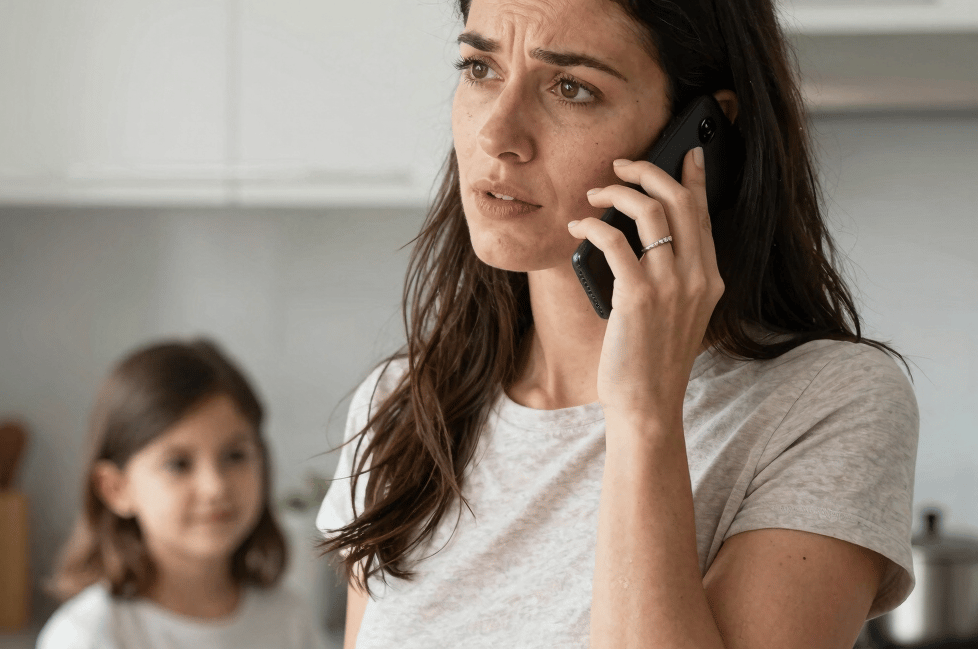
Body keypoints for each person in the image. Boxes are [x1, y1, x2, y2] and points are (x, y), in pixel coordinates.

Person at [317, 0, 919, 647]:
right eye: (480, 68)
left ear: (700, 136)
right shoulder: (401, 407)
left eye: (571, 87)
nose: (497, 135)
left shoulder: (827, 405)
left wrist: (643, 414)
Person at [38, 339, 323, 649]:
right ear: (116, 489)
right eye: (178, 464)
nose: (215, 486)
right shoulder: (86, 636)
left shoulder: (290, 619)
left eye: (235, 456)